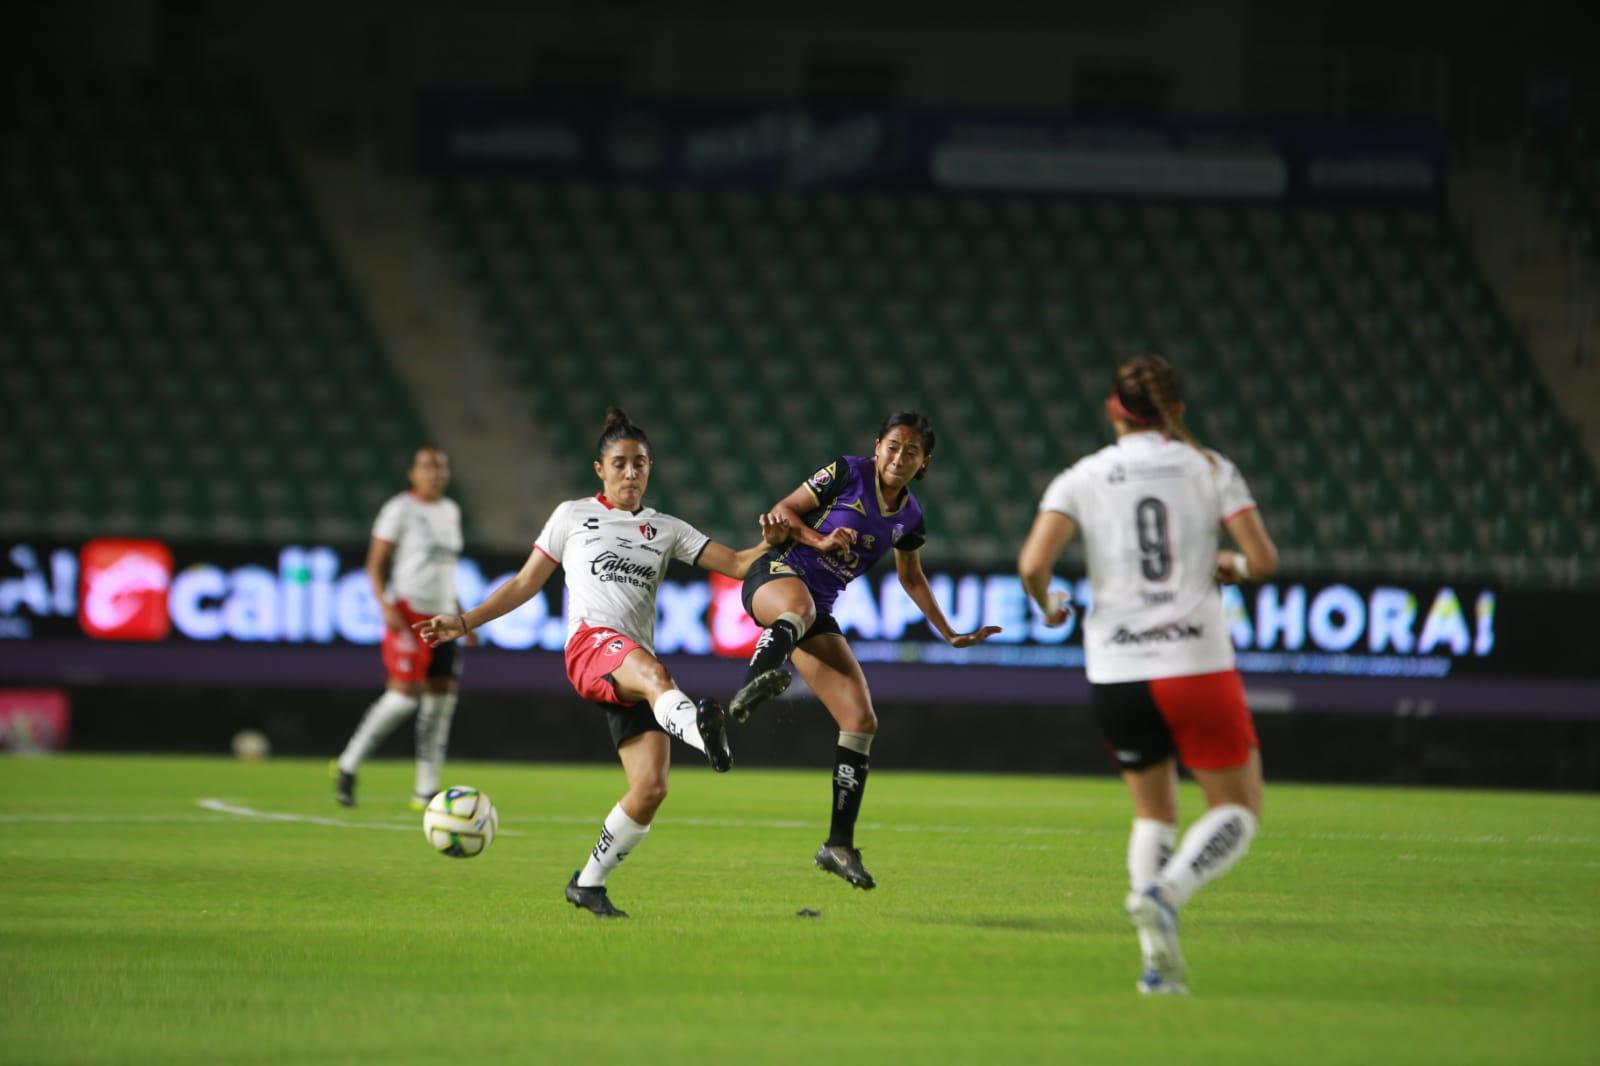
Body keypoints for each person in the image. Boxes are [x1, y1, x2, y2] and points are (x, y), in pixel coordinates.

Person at [416, 408, 789, 918]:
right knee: (658, 676)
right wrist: (465, 622)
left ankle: (587, 884)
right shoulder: (572, 516)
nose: (630, 473)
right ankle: (707, 734)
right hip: (593, 648)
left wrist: (773, 539)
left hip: (631, 666)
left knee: (650, 789)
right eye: (620, 463)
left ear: (650, 468)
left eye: (639, 464)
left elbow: (739, 565)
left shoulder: (665, 528)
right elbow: (526, 583)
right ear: (600, 469)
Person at [1017, 355, 1279, 996]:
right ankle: (1169, 891)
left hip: (1116, 668)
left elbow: (1032, 565)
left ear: (1112, 408)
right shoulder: (1209, 467)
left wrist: (1051, 606)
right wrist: (1229, 567)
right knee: (1238, 807)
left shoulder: (1082, 476)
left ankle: (1157, 964)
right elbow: (1262, 560)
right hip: (1194, 661)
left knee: (1153, 815)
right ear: (1176, 411)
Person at [729, 411, 1001, 890]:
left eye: (911, 451)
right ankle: (756, 679)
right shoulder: (846, 472)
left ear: (925, 464)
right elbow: (783, 510)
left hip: (815, 611)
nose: (899, 457)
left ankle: (838, 844)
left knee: (860, 721)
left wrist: (950, 633)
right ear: (877, 447)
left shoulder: (911, 517)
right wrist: (820, 538)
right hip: (776, 577)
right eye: (893, 446)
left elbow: (911, 578)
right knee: (797, 610)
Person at [333, 446, 472, 811]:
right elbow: (374, 565)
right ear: (412, 473)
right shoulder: (400, 509)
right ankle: (348, 764)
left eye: (441, 467)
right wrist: (385, 607)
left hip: (443, 619)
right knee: (403, 698)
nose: (435, 473)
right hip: (409, 612)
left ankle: (426, 790)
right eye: (427, 467)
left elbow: (446, 572)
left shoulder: (450, 511)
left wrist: (462, 618)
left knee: (441, 702)